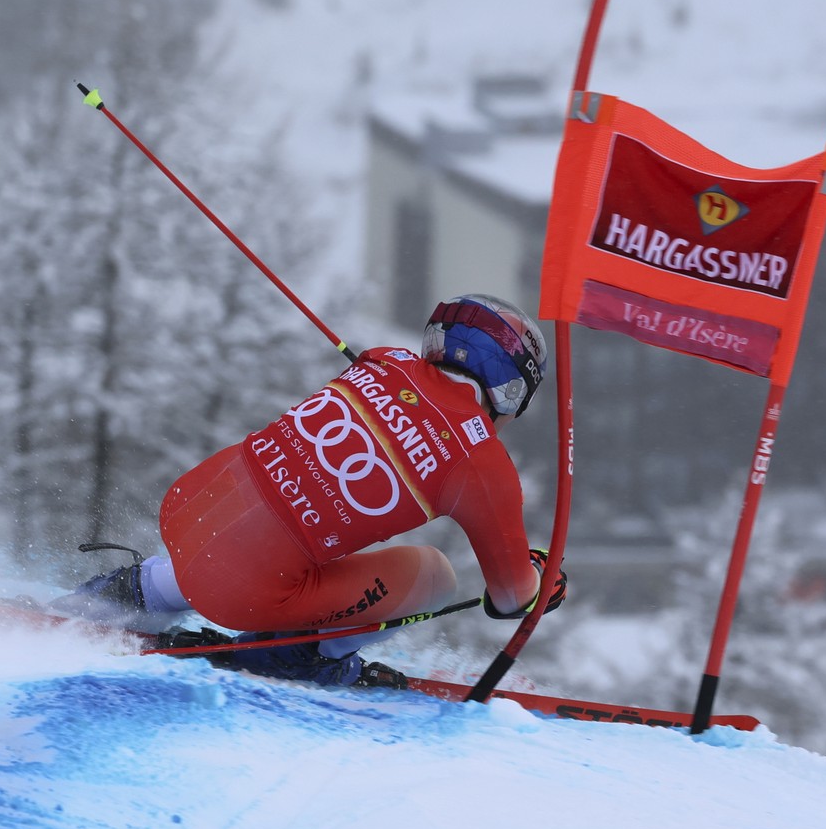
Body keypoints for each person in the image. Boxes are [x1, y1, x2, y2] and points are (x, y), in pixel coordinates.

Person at [56, 294, 567, 688]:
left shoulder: (386, 360)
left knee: (289, 516)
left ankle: (136, 588)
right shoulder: (482, 462)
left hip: (187, 509)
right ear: (511, 388)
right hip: (242, 594)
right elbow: (510, 598)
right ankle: (300, 655)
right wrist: (542, 578)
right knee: (434, 575)